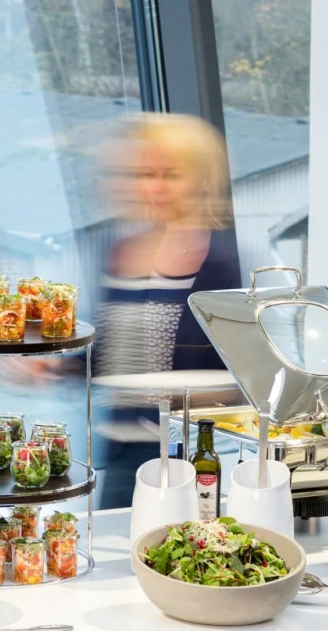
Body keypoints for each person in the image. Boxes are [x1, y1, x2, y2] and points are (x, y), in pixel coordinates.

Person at [89, 114, 242, 509]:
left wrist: (186, 390)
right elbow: (113, 358)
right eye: (145, 174)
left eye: (171, 174)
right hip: (120, 451)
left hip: (188, 456)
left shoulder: (221, 265)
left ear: (203, 179)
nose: (154, 187)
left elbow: (239, 376)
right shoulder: (120, 252)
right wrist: (50, 365)